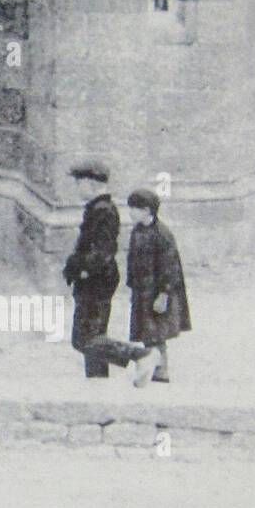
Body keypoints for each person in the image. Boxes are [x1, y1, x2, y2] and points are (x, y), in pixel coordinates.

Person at [62, 162, 157, 384]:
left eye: (79, 182)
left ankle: (140, 355)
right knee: (94, 338)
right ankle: (98, 384)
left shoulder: (102, 210)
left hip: (95, 282)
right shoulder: (100, 208)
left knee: (84, 339)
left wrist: (82, 269)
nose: (77, 188)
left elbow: (103, 251)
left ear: (90, 183)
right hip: (98, 280)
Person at [125, 189, 190, 385]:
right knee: (146, 332)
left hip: (156, 292)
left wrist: (164, 294)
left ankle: (161, 370)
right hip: (142, 291)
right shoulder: (137, 231)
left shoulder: (162, 234)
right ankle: (153, 367)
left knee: (156, 333)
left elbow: (170, 267)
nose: (131, 212)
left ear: (147, 210)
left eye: (134, 208)